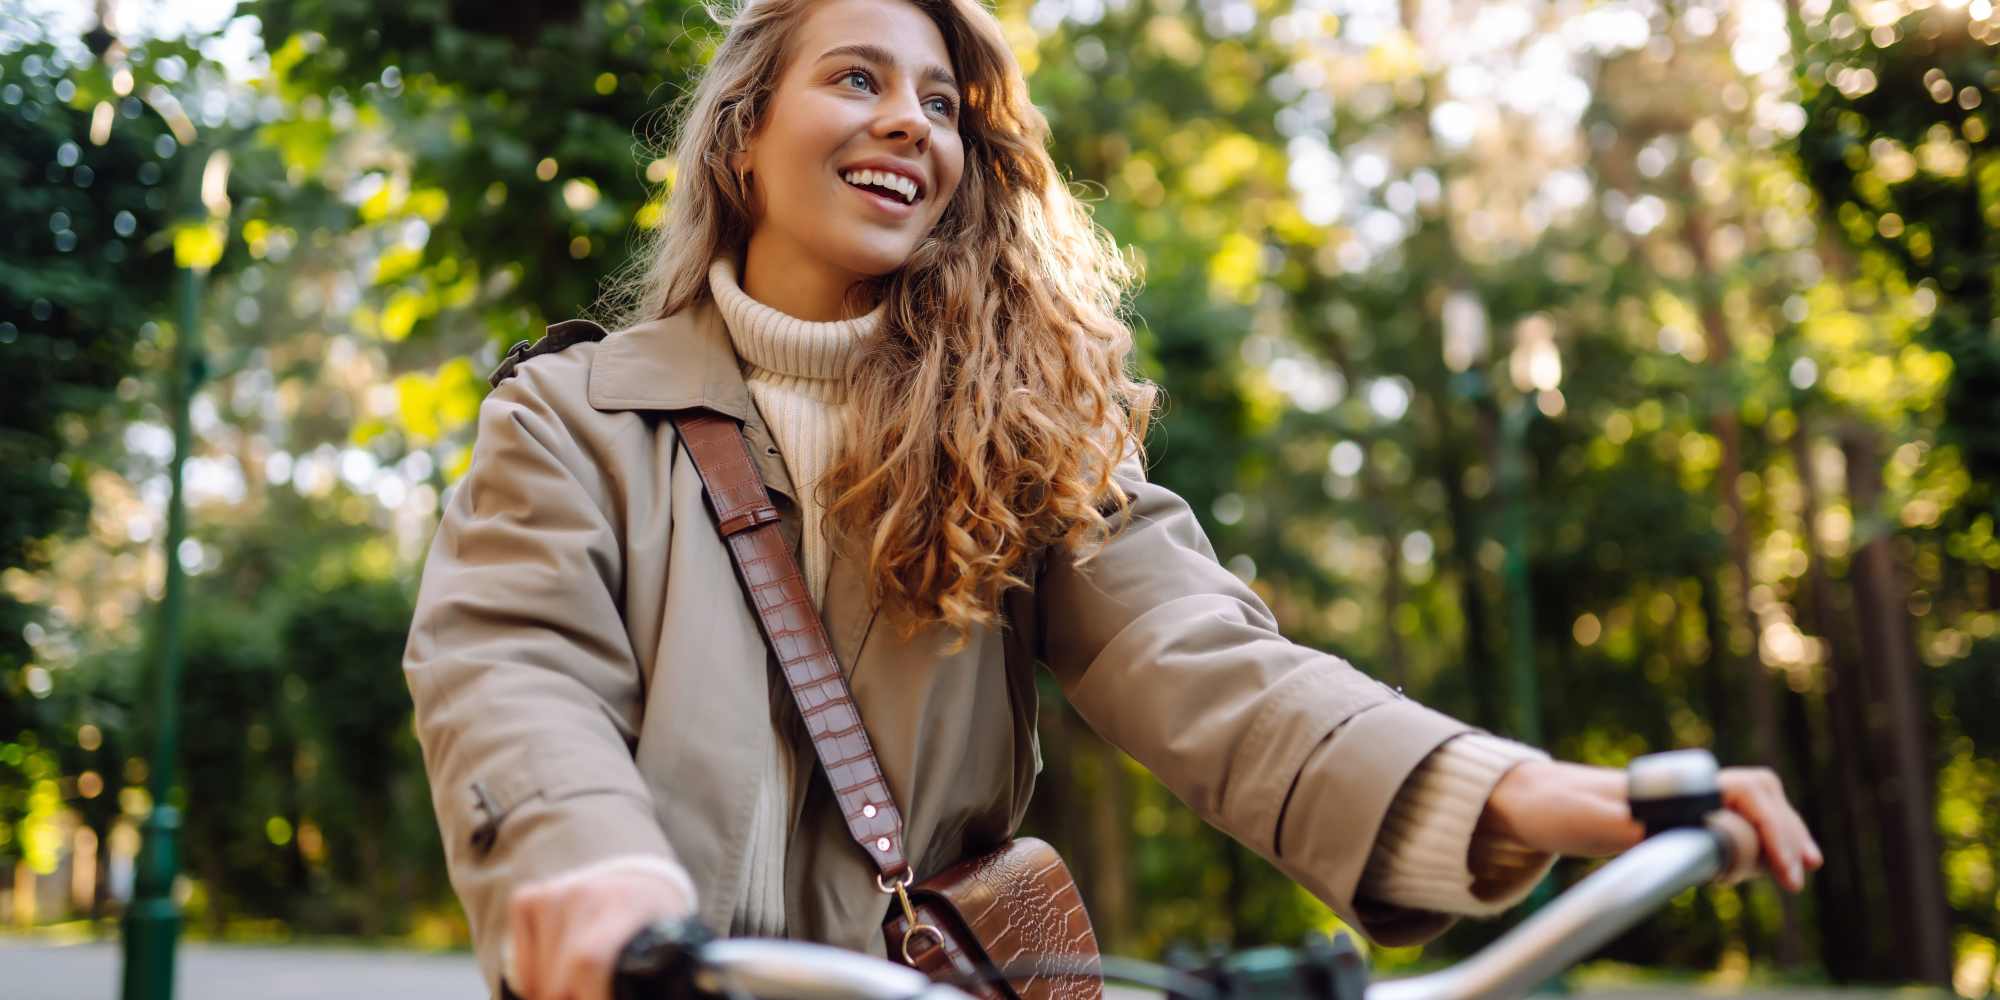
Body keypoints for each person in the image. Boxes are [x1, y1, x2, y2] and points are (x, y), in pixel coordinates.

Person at [400, 1, 1823, 998]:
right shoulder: (574, 414)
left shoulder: (1017, 435)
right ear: (739, 141)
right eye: (856, 78)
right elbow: (513, 668)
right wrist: (594, 874)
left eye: (943, 102)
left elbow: (1211, 667)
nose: (909, 120)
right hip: (655, 980)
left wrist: (1525, 791)